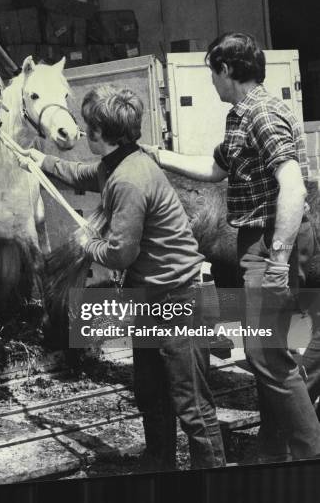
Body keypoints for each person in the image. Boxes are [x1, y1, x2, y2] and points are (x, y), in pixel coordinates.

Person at [18, 86, 226, 471]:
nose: (83, 133)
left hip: (181, 299)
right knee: (150, 392)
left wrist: (88, 243)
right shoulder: (120, 161)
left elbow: (120, 254)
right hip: (152, 297)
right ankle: (158, 462)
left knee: (192, 404)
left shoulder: (129, 179)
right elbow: (80, 172)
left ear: (101, 134)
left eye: (88, 128)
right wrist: (39, 159)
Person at [140, 32, 320, 462]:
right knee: (270, 352)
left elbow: (292, 186)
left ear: (226, 70)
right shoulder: (241, 115)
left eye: (212, 74)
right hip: (260, 240)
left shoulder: (260, 114)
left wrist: (276, 259)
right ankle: (279, 452)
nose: (212, 83)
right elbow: (216, 168)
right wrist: (160, 156)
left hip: (269, 240)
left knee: (267, 357)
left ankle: (309, 453)